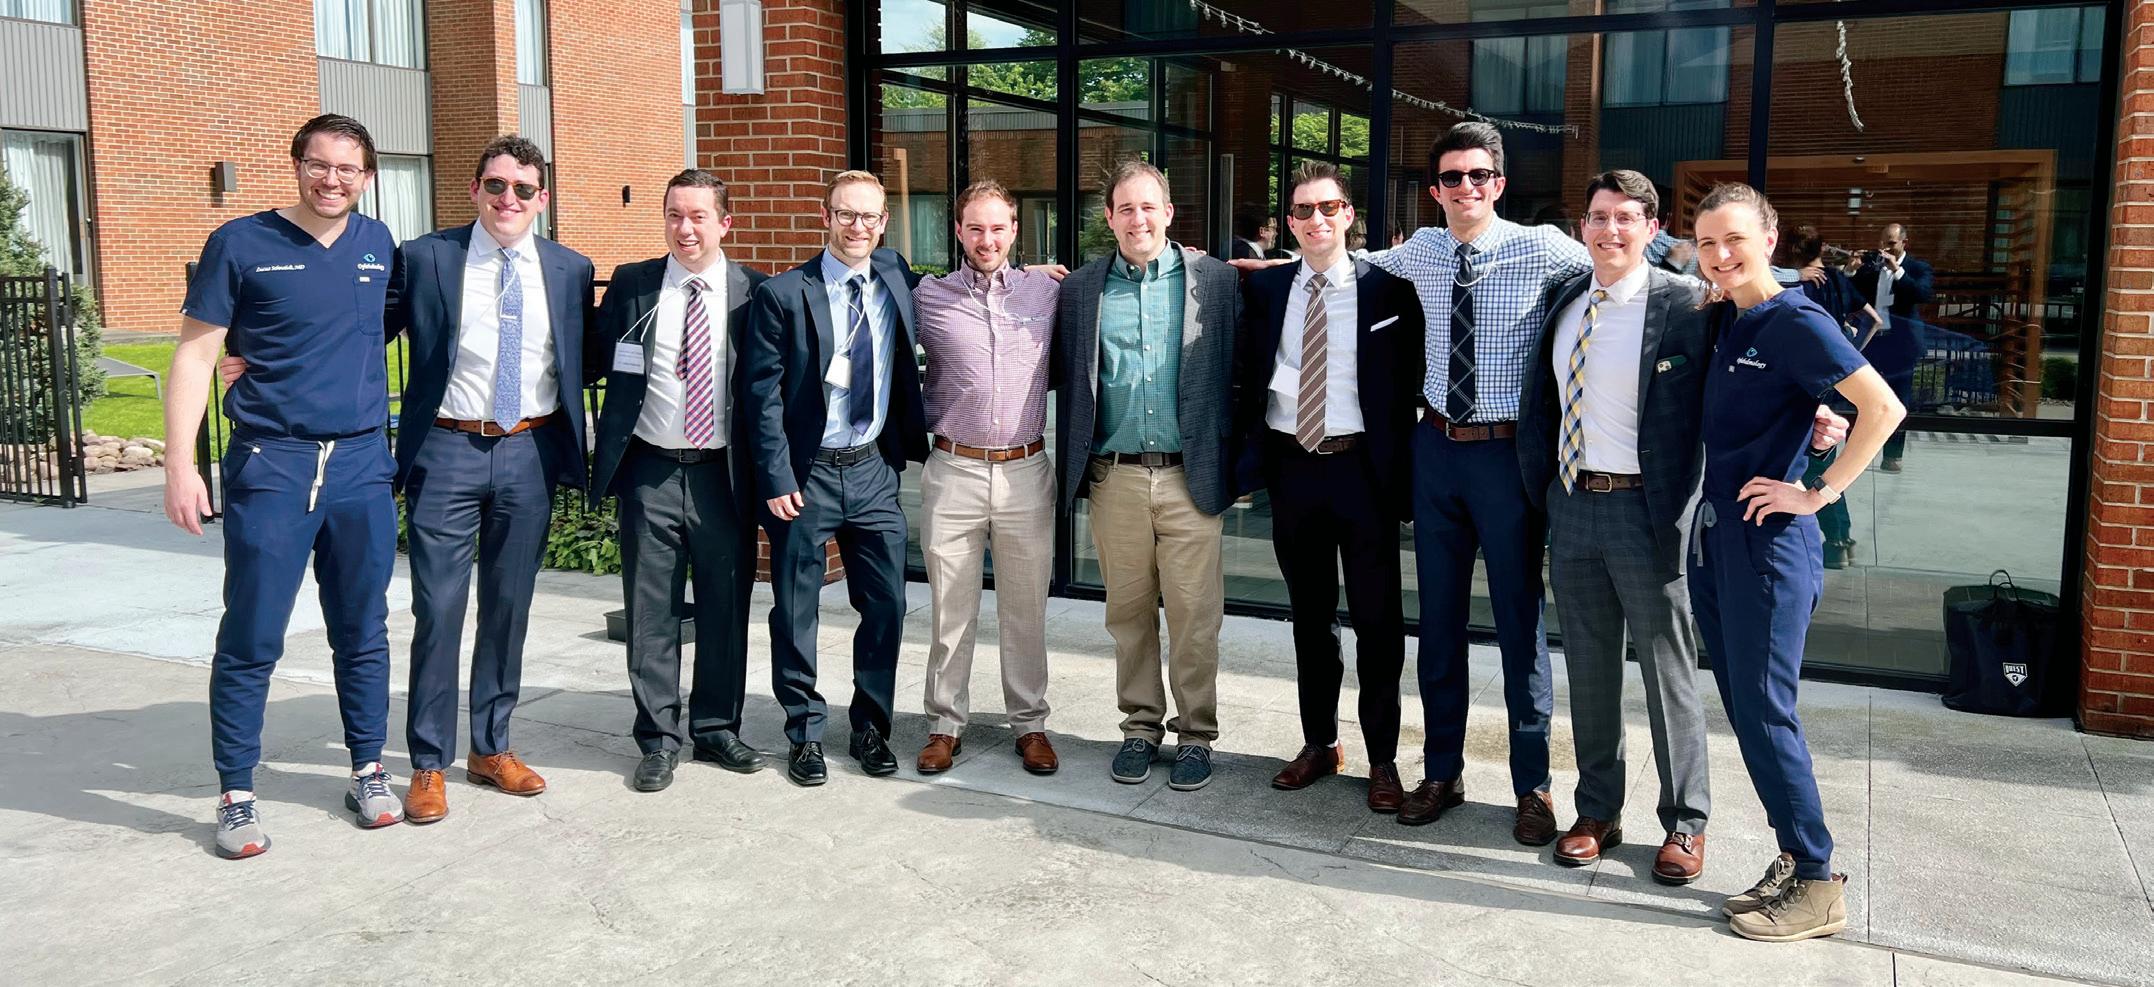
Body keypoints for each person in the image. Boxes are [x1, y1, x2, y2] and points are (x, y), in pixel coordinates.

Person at [224, 136, 595, 818]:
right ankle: (428, 761)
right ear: (475, 190)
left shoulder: (570, 269)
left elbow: (585, 356)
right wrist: (252, 355)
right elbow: (357, 325)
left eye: (522, 188)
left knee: (508, 607)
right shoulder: (426, 258)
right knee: (439, 607)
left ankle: (492, 747)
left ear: (541, 198)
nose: (507, 198)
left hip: (530, 451)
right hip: (446, 451)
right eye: (495, 184)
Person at [164, 114, 405, 858]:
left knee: (362, 629)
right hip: (274, 464)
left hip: (361, 463)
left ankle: (368, 769)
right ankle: (237, 793)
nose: (332, 180)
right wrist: (180, 465)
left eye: (348, 169)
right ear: (297, 165)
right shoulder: (241, 243)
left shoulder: (378, 243)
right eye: (319, 165)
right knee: (254, 632)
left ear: (367, 176)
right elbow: (194, 356)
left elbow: (372, 331)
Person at [1689, 182, 1904, 942]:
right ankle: (1792, 856)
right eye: (1707, 242)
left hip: (1770, 548)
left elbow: (1883, 408)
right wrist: (1815, 420)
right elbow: (1804, 406)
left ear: (1770, 241)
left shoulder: (1794, 318)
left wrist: (1819, 492)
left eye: (1735, 239)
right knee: (1746, 710)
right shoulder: (1730, 316)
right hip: (1721, 539)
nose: (1720, 254)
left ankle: (1817, 880)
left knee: (1767, 711)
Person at [1366, 122, 1588, 842]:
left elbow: (1626, 270)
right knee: (1439, 622)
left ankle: (1533, 787)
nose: (1466, 187)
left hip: (1505, 458)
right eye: (1452, 177)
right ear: (1435, 190)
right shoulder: (1424, 249)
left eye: (1479, 175)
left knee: (1520, 625)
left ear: (1499, 183)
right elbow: (1340, 259)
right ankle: (1442, 771)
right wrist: (1226, 265)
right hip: (1436, 452)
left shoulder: (1544, 247)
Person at [1232, 161, 1423, 812]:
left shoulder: (1389, 291)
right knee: (1311, 620)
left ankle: (1383, 759)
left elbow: (1411, 377)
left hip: (1362, 472)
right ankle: (1320, 743)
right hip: (1293, 470)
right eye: (1303, 210)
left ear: (1348, 216)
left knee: (1378, 623)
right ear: (1289, 222)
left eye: (1328, 207)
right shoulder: (1266, 289)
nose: (1317, 219)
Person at [1055, 158, 1241, 791]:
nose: (1139, 219)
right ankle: (1139, 726)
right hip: (1117, 480)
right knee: (1128, 614)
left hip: (1192, 480)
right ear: (1109, 218)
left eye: (1148, 207)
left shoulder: (1215, 282)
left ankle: (1196, 735)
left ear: (1169, 213)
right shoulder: (1081, 290)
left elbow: (1241, 369)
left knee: (1195, 617)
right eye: (1125, 208)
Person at [586, 169, 770, 793]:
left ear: (725, 223)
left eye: (697, 216)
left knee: (725, 607)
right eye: (673, 215)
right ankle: (658, 739)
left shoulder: (754, 293)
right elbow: (589, 356)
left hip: (724, 475)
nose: (684, 228)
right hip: (651, 470)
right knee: (650, 611)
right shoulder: (634, 284)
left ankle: (716, 728)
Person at [744, 170, 929, 787]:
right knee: (796, 609)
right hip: (807, 475)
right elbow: (761, 396)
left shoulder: (895, 275)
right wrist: (776, 475)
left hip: (873, 468)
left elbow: (961, 279)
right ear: (826, 217)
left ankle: (870, 727)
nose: (858, 227)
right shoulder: (782, 294)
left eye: (869, 216)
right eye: (846, 214)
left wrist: (1034, 271)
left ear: (884, 223)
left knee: (887, 604)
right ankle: (804, 733)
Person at [911, 180, 1062, 776]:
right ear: (958, 231)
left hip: (1026, 470)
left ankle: (1030, 724)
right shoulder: (928, 296)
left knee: (1026, 609)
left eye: (998, 227)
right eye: (975, 227)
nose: (987, 239)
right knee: (951, 609)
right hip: (954, 469)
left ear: (1015, 230)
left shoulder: (1047, 292)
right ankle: (944, 724)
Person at [1782, 226, 1880, 570]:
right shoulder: (1837, 280)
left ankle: (1837, 539)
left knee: (1814, 465)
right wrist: (1849, 357)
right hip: (1833, 382)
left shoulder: (1793, 285)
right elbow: (1874, 320)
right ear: (1821, 247)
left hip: (1802, 383)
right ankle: (1841, 538)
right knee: (1822, 461)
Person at [1851, 223, 1931, 472]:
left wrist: (1897, 270)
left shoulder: (1917, 268)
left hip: (1902, 344)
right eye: (1883, 242)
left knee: (1898, 399)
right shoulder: (1872, 267)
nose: (1886, 247)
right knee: (1865, 397)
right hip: (1873, 340)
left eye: (1892, 243)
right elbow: (1851, 294)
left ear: (1904, 243)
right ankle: (1858, 456)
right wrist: (1851, 270)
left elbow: (1922, 294)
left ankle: (1893, 455)